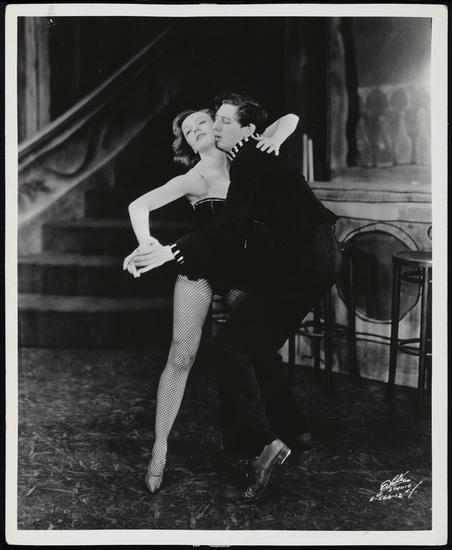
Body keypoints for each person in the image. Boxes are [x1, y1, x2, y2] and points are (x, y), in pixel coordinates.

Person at [130, 92, 342, 501]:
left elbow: (289, 116)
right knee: (183, 355)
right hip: (199, 266)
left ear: (218, 127)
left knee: (247, 348)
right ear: (187, 143)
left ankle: (260, 440)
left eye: (202, 123)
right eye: (188, 131)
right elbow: (139, 206)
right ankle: (160, 450)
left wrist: (277, 135)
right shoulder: (193, 178)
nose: (196, 130)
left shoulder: (248, 156)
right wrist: (147, 246)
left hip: (244, 270)